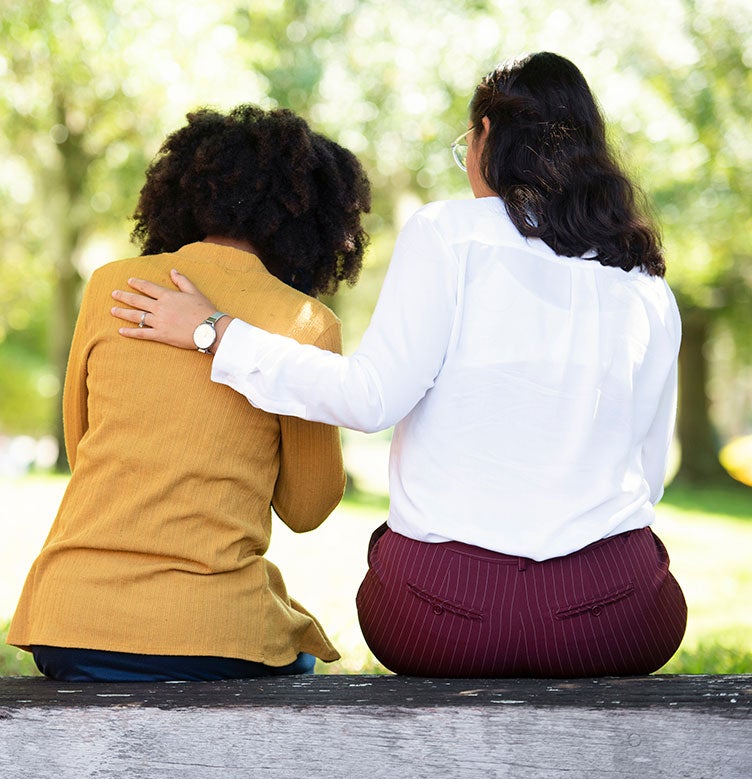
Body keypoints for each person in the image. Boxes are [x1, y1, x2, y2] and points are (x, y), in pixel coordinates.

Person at [110, 53, 687, 678]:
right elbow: (648, 477)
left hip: (445, 617)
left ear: (487, 136)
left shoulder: (449, 233)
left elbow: (369, 399)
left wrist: (212, 330)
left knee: (393, 567)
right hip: (611, 622)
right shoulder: (646, 285)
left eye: (467, 141)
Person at [6, 105, 373, 681]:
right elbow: (307, 509)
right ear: (317, 224)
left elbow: (84, 453)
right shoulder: (304, 322)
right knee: (296, 662)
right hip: (211, 633)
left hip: (67, 624)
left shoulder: (109, 286)